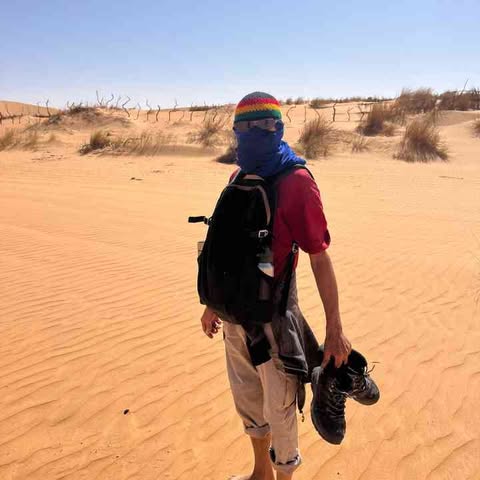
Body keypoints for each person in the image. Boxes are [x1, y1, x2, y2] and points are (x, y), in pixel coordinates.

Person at [199, 92, 352, 480]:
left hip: (274, 317)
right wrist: (212, 304)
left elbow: (319, 257)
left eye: (263, 125)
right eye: (245, 127)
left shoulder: (296, 182)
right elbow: (223, 249)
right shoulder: (237, 178)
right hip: (234, 314)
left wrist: (334, 330)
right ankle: (260, 473)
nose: (253, 133)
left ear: (278, 128)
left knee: (280, 408)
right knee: (248, 399)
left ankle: (283, 477)